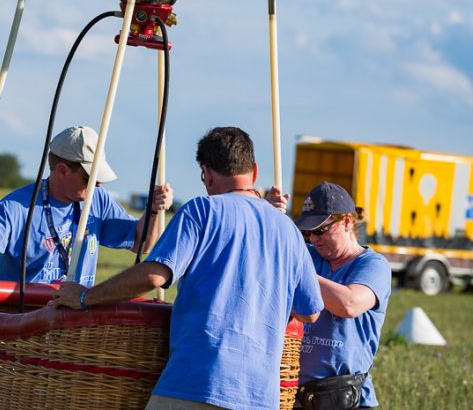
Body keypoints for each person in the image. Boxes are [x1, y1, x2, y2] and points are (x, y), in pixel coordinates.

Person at [53, 126, 323, 410]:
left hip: (195, 385)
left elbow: (154, 275)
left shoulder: (202, 211)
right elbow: (310, 312)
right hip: (261, 397)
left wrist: (84, 297)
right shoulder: (288, 230)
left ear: (206, 173)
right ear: (254, 171)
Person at [0, 125, 173, 287]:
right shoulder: (16, 207)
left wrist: (153, 210)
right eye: (90, 178)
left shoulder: (98, 199)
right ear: (62, 170)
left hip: (74, 320)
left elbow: (141, 242)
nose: (98, 185)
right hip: (24, 318)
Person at [268, 182, 391, 410]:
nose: (313, 239)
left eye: (320, 230)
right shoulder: (308, 256)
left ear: (346, 221)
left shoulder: (373, 265)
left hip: (345, 399)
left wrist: (299, 271)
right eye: (308, 232)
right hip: (296, 396)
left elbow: (349, 304)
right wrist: (268, 214)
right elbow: (270, 248)